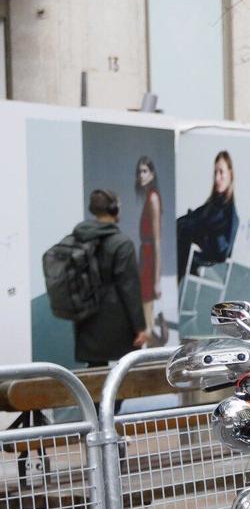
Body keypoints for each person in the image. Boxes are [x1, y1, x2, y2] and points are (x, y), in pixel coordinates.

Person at [68, 190, 147, 367]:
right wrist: (139, 327)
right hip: (116, 322)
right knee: (125, 376)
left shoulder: (79, 239)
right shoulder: (122, 244)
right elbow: (129, 288)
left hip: (86, 317)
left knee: (95, 374)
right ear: (114, 209)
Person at [176, 150, 237, 280]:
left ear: (230, 174)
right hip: (190, 249)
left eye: (221, 172)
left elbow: (222, 251)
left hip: (204, 256)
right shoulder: (214, 203)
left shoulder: (228, 211)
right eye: (215, 172)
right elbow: (197, 217)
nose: (217, 178)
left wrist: (201, 236)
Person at [133, 156, 164, 345]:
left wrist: (158, 279)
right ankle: (151, 341)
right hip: (145, 254)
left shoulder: (153, 198)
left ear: (152, 174)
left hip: (149, 255)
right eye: (139, 171)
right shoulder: (149, 197)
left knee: (147, 303)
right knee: (146, 305)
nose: (141, 175)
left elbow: (158, 239)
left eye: (144, 171)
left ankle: (151, 342)